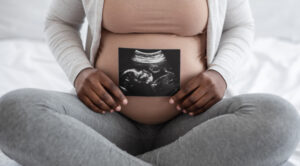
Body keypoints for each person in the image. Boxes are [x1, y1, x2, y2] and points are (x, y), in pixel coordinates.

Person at [0, 0, 299, 165]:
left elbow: (240, 26)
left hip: (193, 123)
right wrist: (80, 73)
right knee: (14, 111)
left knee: (279, 119)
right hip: (104, 120)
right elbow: (59, 22)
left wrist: (220, 73)